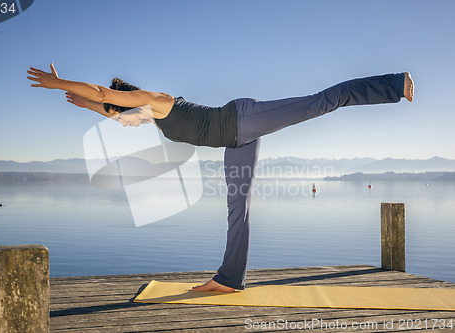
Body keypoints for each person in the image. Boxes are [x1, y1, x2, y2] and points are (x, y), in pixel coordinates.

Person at [27, 64, 414, 292]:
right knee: (237, 208)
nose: (118, 113)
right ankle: (229, 278)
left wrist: (61, 84)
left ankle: (394, 84)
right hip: (235, 141)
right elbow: (111, 111)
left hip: (242, 119)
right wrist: (82, 103)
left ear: (127, 95)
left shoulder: (158, 100)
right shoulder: (149, 117)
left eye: (117, 103)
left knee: (318, 103)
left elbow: (104, 95)